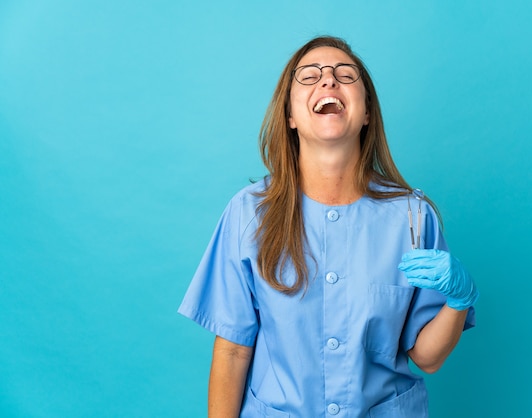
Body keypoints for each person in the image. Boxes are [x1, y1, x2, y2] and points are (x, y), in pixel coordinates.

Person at [178, 35, 478, 417]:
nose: (328, 81)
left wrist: (459, 301)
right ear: (289, 115)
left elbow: (428, 358)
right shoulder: (248, 213)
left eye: (345, 74)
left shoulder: (413, 217)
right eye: (310, 75)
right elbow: (234, 349)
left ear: (367, 111)